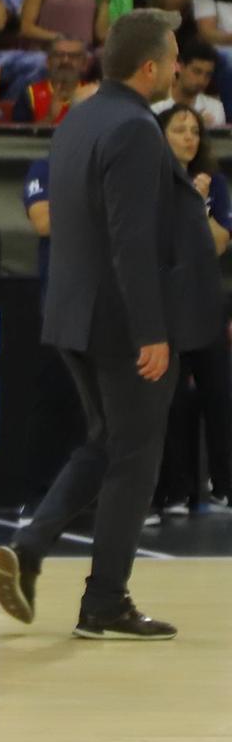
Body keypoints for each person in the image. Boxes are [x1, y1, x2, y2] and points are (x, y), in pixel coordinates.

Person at [0, 9, 219, 640]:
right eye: (173, 57)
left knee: (106, 443)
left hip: (71, 312)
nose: (178, 66)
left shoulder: (80, 118)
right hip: (121, 322)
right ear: (150, 67)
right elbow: (130, 239)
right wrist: (152, 329)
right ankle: (106, 601)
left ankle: (30, 547)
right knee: (137, 457)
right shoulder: (135, 130)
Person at [150, 103, 232, 514]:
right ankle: (175, 490)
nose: (189, 137)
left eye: (195, 131)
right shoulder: (151, 181)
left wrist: (197, 207)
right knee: (173, 400)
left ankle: (224, 484)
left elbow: (218, 242)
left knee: (220, 392)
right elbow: (160, 244)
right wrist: (188, 205)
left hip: (206, 301)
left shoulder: (214, 184)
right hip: (166, 306)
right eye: (179, 129)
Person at [9, 33, 94, 122]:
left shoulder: (94, 95)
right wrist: (49, 117)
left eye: (73, 56)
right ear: (48, 62)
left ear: (84, 64)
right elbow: (19, 135)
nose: (65, 61)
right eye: (59, 55)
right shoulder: (30, 94)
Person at [151, 37, 228, 126]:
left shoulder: (215, 108)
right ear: (179, 67)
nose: (202, 80)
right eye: (196, 71)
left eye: (208, 74)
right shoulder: (156, 106)